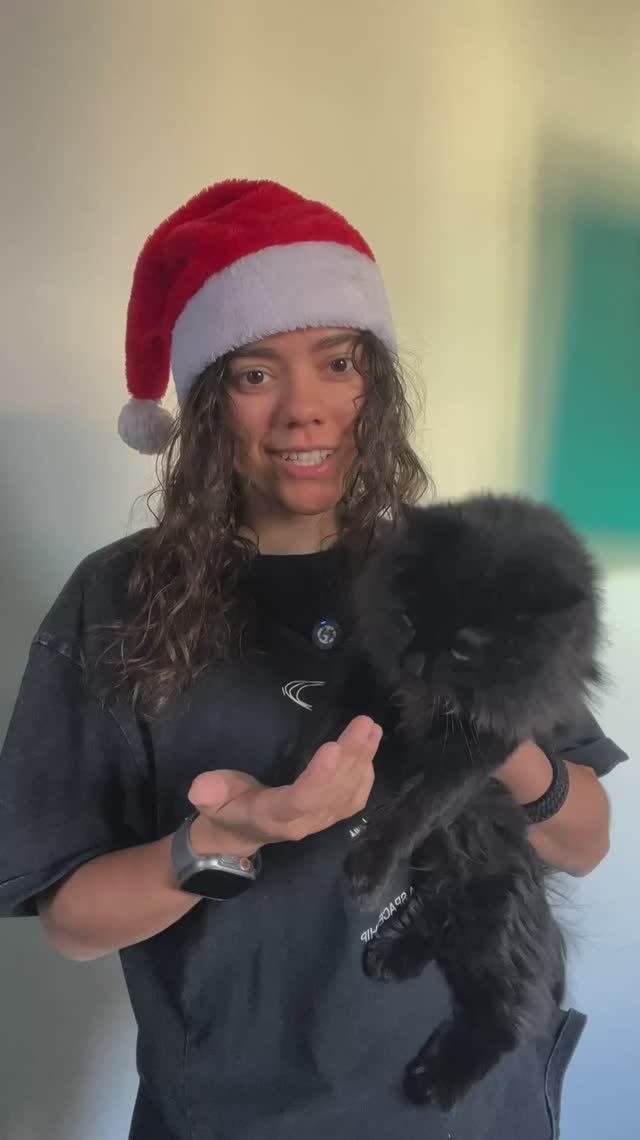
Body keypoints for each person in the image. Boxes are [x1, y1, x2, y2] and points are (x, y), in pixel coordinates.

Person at [0, 179, 627, 1140]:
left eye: (337, 362)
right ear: (208, 402)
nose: (306, 409)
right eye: (256, 374)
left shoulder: (456, 567)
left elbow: (585, 840)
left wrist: (492, 734)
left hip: (481, 1107)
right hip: (251, 1117)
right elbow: (72, 923)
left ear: (373, 382)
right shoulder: (116, 599)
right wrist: (229, 836)